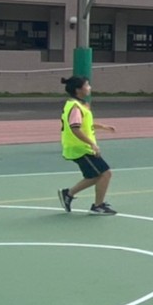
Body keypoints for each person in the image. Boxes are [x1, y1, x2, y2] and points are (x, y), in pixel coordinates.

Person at [56, 75, 118, 215]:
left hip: (79, 147)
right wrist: (92, 144)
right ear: (78, 89)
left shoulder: (77, 105)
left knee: (95, 176)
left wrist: (103, 126)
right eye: (87, 85)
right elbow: (75, 128)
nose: (89, 88)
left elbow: (84, 124)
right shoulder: (75, 107)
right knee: (106, 173)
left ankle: (68, 194)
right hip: (80, 148)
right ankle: (98, 206)